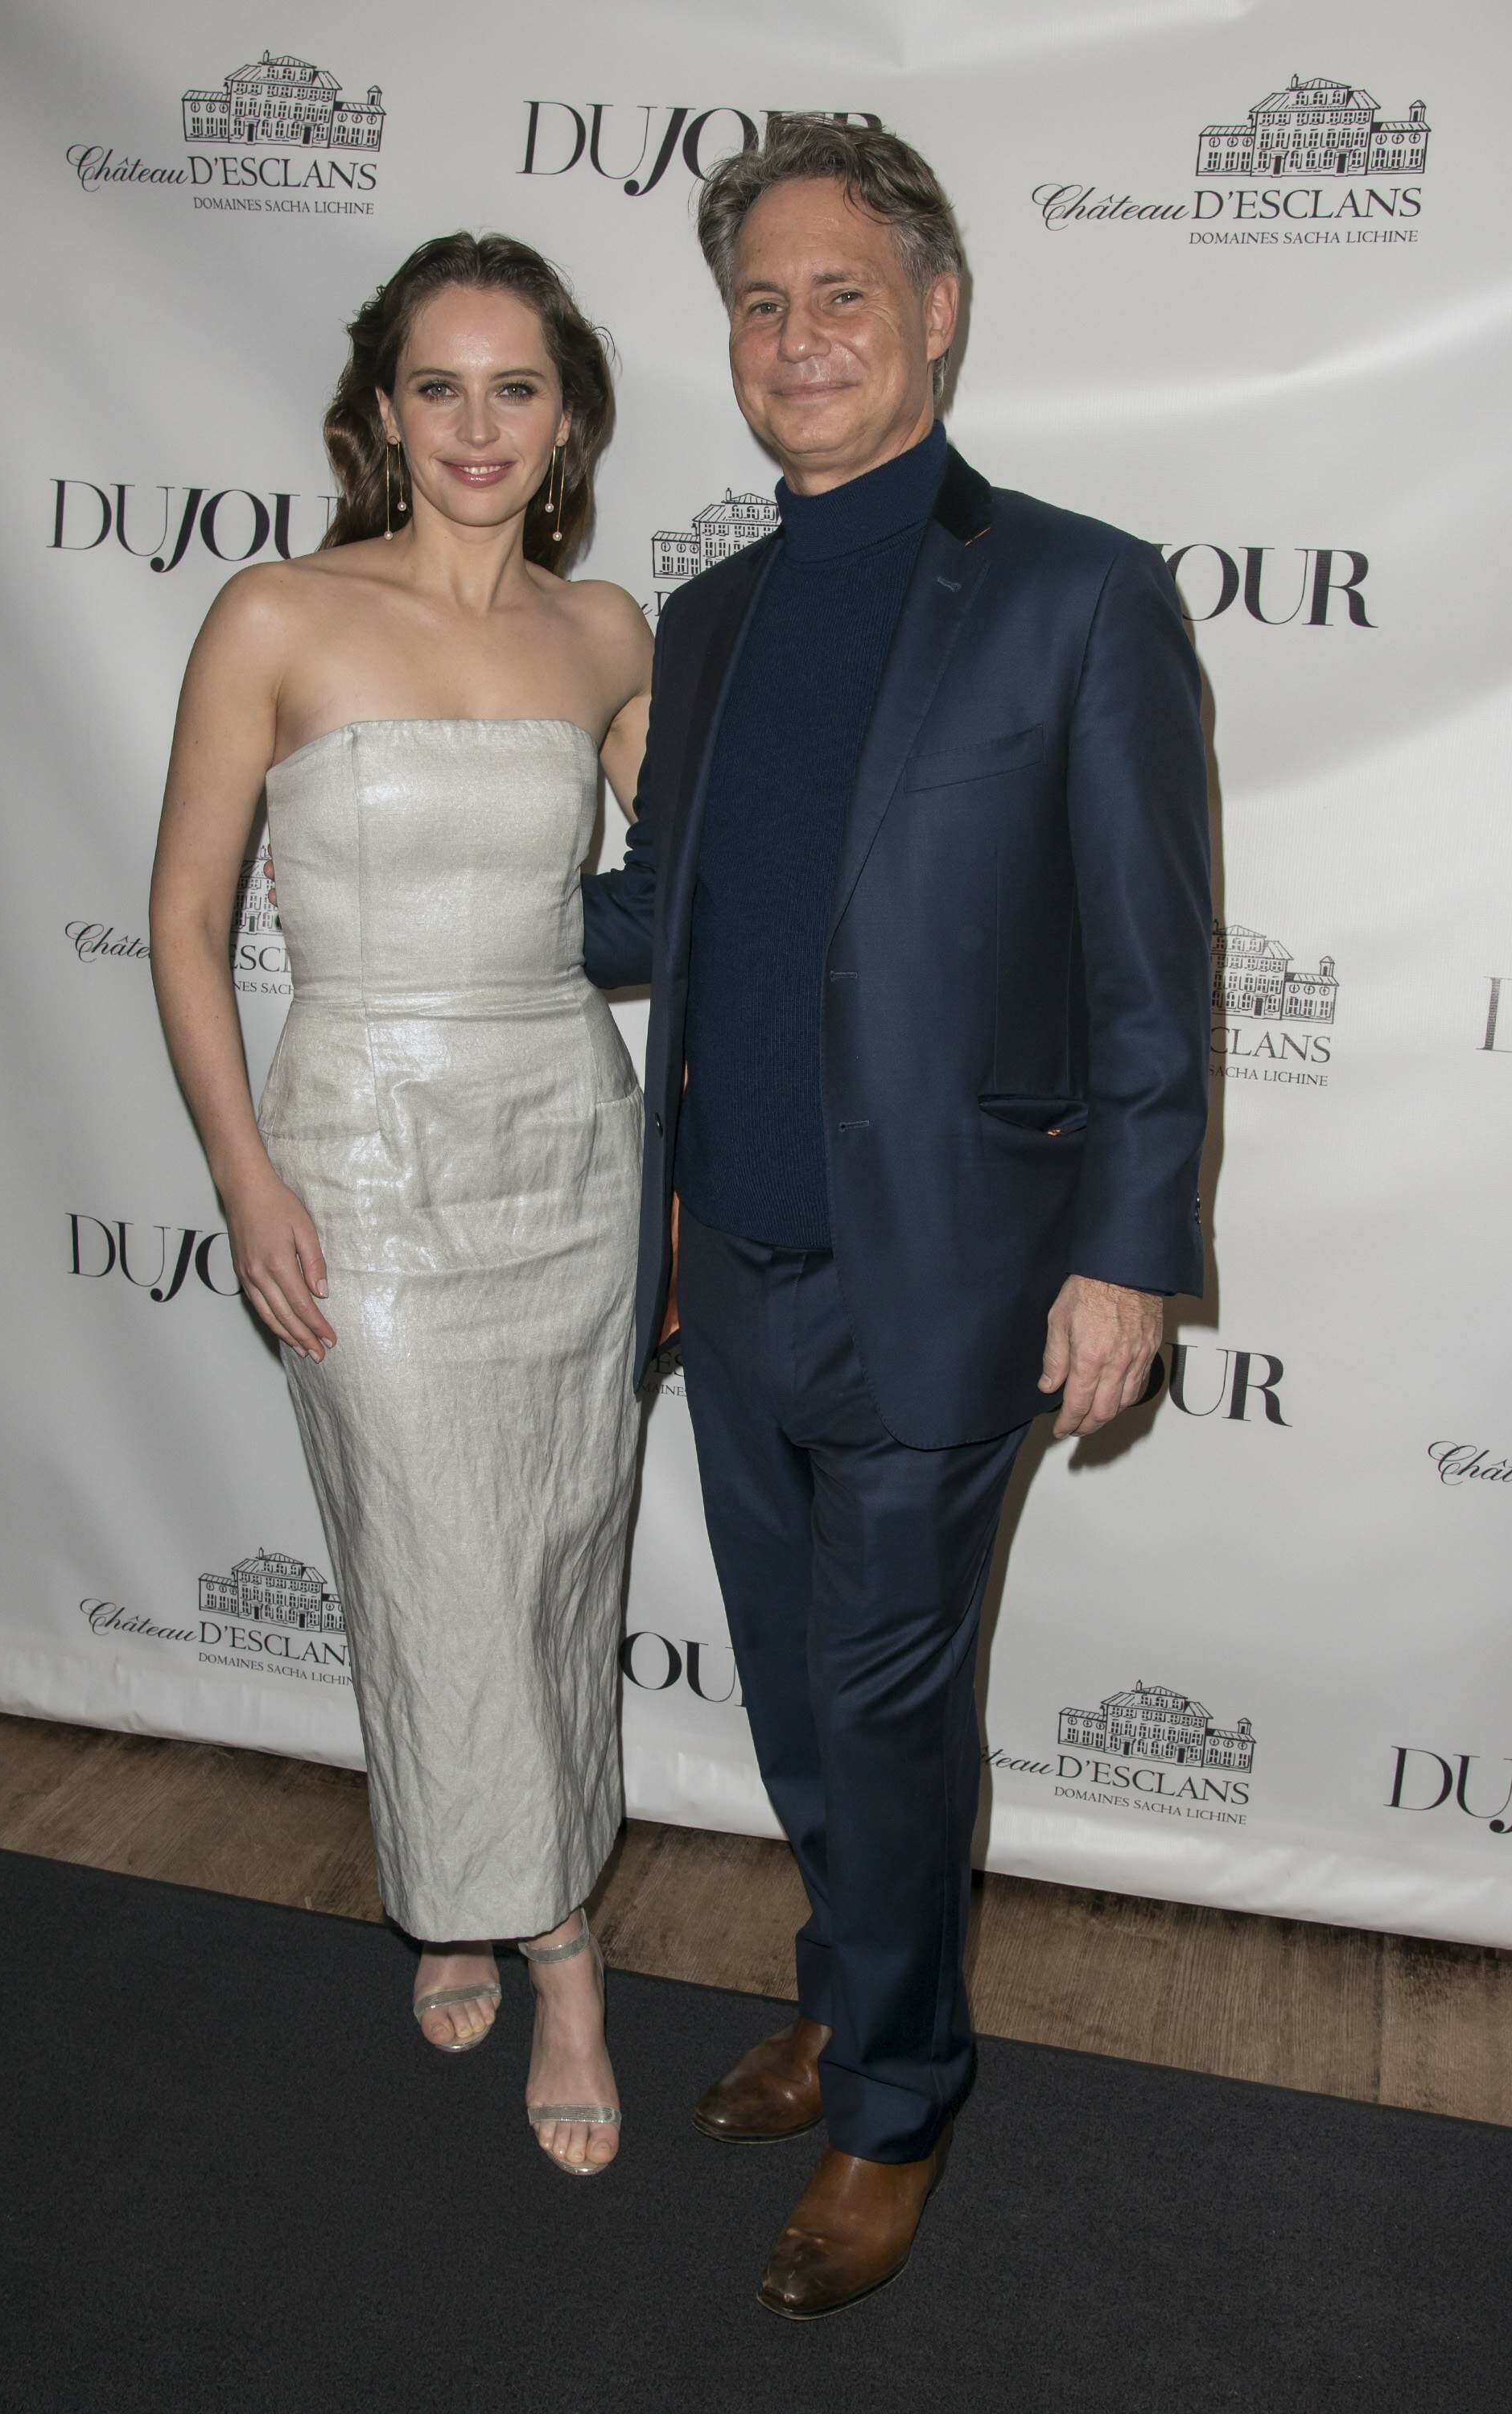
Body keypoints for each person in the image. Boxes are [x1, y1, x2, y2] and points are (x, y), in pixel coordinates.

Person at [582, 119, 1211, 2309]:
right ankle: (854, 1995)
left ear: (937, 312)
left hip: (955, 1279)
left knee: (880, 1701)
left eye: (841, 292)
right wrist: (436, 876)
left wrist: (1129, 1250)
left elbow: (1149, 969)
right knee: (793, 1695)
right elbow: (660, 920)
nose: (798, 336)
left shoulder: (1077, 594)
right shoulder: (709, 617)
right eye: (760, 302)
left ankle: (897, 2099)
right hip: (729, 1270)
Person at [150, 234, 652, 2177]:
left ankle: (495, 1893)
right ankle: (550, 1940)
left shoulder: (605, 631)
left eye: (515, 387)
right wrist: (244, 1176)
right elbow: (186, 924)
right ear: (380, 408)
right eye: (438, 386)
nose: (476, 425)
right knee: (432, 1551)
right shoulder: (277, 612)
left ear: (568, 417)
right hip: (358, 1147)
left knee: (554, 1549)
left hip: (567, 1148)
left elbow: (706, 888)